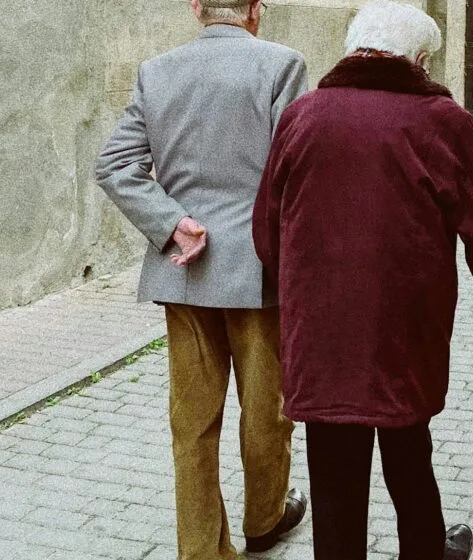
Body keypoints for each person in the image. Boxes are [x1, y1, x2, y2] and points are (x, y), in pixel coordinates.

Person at [252, 1, 473, 559]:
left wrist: (296, 290)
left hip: (322, 335)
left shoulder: (302, 116)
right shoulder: (441, 122)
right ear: (421, 60)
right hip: (404, 332)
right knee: (409, 452)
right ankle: (426, 550)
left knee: (333, 469)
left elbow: (268, 226)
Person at [94, 0, 309, 558]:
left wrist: (171, 224)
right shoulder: (283, 65)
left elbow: (114, 164)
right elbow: (297, 169)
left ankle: (202, 551)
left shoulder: (156, 70)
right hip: (260, 272)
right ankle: (264, 519)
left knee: (191, 422)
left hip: (185, 270)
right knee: (266, 412)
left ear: (196, 9)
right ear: (256, 10)